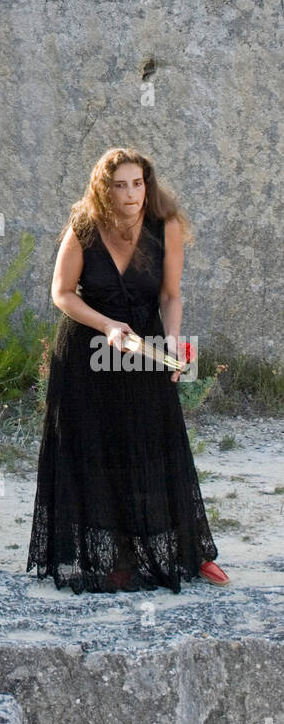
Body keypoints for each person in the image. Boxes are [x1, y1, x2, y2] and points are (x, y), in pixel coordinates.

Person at [27, 146, 229, 593]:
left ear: (148, 184)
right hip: (85, 355)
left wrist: (172, 340)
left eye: (138, 183)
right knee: (97, 451)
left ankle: (189, 553)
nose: (131, 193)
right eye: (120, 185)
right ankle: (114, 558)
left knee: (159, 445)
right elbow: (61, 293)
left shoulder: (166, 226)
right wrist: (106, 325)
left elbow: (171, 295)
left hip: (146, 350)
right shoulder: (83, 227)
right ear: (105, 189)